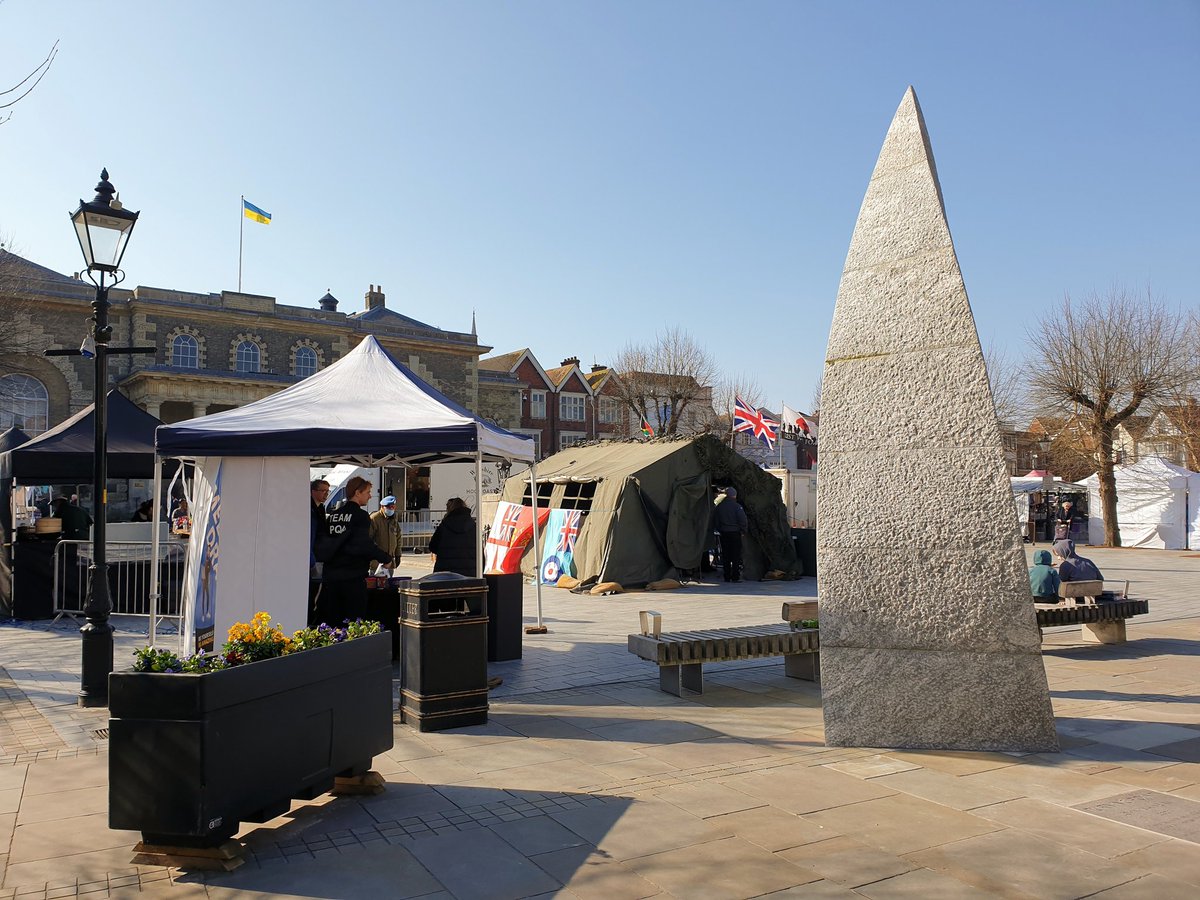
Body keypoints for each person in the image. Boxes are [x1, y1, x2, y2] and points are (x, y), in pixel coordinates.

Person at [316, 476, 390, 626]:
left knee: (332, 622)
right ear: (357, 493)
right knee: (354, 623)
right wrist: (385, 558)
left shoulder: (333, 516)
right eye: (368, 492)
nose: (370, 495)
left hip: (331, 577)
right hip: (352, 577)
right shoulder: (361, 516)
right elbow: (364, 544)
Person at [429, 497, 478, 577]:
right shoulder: (473, 525)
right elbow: (480, 551)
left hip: (446, 572)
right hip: (470, 572)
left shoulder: (445, 525)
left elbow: (433, 546)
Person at [714, 486, 748, 583]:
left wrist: (720, 530)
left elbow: (716, 521)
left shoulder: (720, 507)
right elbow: (743, 520)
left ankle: (727, 576)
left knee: (725, 555)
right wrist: (743, 531)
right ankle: (735, 577)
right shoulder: (737, 506)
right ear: (734, 495)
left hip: (724, 533)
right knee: (736, 556)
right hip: (735, 533)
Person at [308, 478, 330, 626]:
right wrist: (312, 560)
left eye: (327, 491)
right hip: (313, 557)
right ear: (313, 491)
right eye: (323, 491)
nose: (326, 494)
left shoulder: (321, 508)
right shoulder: (309, 509)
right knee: (311, 595)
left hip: (319, 556)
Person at [369, 494, 403, 572]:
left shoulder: (394, 521)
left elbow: (398, 539)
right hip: (376, 564)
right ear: (382, 507)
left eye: (393, 507)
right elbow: (369, 540)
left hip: (390, 562)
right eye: (388, 507)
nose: (391, 509)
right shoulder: (374, 519)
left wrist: (398, 555)